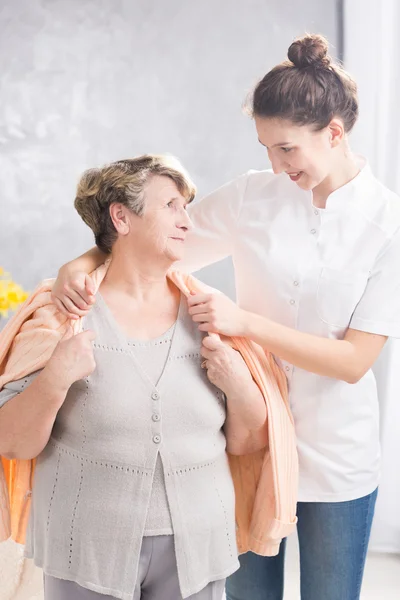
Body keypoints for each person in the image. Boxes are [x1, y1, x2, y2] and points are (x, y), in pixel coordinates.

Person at [51, 34, 400, 600]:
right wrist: (84, 259)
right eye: (265, 148)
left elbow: (355, 361)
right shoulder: (251, 197)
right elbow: (155, 241)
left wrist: (244, 323)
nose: (275, 164)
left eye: (287, 149)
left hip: (338, 453)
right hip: (249, 437)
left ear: (334, 134)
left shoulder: (388, 224)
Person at [0, 155, 270, 600]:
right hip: (84, 550)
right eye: (171, 206)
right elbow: (11, 442)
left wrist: (237, 379)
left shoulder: (210, 312)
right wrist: (54, 379)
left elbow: (248, 442)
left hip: (198, 552)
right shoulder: (61, 316)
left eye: (187, 207)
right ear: (121, 217)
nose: (187, 220)